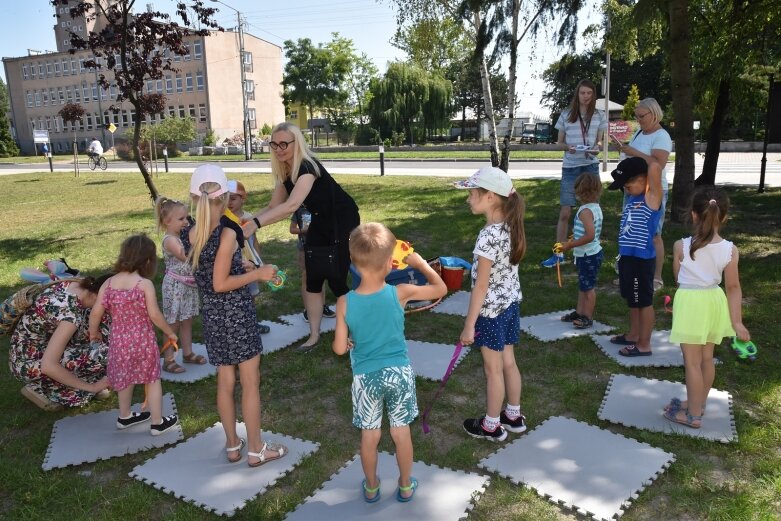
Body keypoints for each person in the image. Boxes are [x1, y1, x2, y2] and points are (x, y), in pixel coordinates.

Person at [333, 222, 447, 503]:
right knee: (400, 432)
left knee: (370, 437)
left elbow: (338, 349)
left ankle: (371, 486)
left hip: (366, 378)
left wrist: (347, 341)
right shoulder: (401, 292)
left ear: (354, 262)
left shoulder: (344, 302)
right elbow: (440, 288)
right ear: (390, 263)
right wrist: (420, 263)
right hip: (399, 374)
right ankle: (406, 485)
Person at [184, 164, 287, 466]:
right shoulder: (228, 231)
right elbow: (220, 283)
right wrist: (260, 275)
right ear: (225, 195)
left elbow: (210, 267)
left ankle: (232, 445)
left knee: (225, 380)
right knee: (250, 382)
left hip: (213, 318)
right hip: (236, 314)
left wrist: (238, 266)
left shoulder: (191, 231)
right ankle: (256, 449)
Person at [243, 122, 360, 352]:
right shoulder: (285, 171)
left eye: (284, 143)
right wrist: (246, 223)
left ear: (297, 143)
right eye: (274, 144)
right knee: (313, 276)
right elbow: (274, 206)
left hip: (341, 220)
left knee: (336, 278)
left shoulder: (308, 166)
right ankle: (314, 336)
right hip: (319, 221)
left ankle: (359, 328)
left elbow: (292, 205)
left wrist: (254, 224)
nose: (279, 148)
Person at [663, 187, 750, 429]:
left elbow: (680, 279)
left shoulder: (680, 246)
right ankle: (698, 403)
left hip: (691, 302)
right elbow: (733, 288)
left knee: (691, 362)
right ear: (723, 217)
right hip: (714, 302)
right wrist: (737, 322)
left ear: (693, 215)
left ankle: (692, 416)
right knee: (706, 358)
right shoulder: (731, 250)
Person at [454, 167, 528, 442]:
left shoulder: (487, 236)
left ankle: (491, 425)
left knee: (493, 369)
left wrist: (469, 325)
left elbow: (481, 287)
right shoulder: (511, 227)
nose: (468, 199)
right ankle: (513, 414)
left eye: (472, 194)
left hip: (490, 313)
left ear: (490, 197)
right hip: (510, 307)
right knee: (508, 362)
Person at [89, 235, 179, 435]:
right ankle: (157, 422)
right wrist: (170, 332)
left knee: (124, 378)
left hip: (119, 343)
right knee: (152, 379)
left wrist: (93, 333)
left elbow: (96, 312)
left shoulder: (109, 283)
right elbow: (155, 315)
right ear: (148, 261)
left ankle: (125, 416)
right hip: (143, 342)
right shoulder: (143, 284)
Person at [9, 275, 112, 410]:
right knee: (105, 355)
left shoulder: (78, 283)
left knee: (108, 336)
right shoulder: (70, 316)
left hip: (41, 343)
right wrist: (92, 387)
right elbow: (48, 366)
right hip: (27, 361)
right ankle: (39, 388)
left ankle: (77, 383)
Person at [542, 79, 608, 269]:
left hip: (590, 166)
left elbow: (600, 142)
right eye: (582, 93)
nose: (586, 97)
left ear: (593, 95)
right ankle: (558, 253)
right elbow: (559, 143)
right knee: (565, 211)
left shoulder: (599, 115)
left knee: (592, 211)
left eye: (589, 93)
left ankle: (592, 251)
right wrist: (568, 148)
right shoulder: (565, 114)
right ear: (577, 94)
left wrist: (596, 148)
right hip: (571, 166)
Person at [613, 98, 672, 291]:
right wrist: (625, 151)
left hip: (652, 191)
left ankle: (656, 277)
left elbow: (657, 164)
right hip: (633, 188)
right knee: (631, 232)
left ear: (654, 114)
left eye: (642, 116)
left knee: (653, 234)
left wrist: (633, 152)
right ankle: (631, 274)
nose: (638, 120)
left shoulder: (661, 136)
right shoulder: (640, 132)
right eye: (636, 116)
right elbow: (636, 159)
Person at [607, 156, 663, 356]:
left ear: (645, 180)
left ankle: (644, 344)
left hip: (641, 261)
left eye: (628, 185)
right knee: (632, 299)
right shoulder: (633, 198)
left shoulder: (652, 198)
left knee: (643, 302)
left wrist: (640, 161)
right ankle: (633, 334)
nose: (626, 190)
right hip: (628, 257)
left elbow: (655, 166)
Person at [155, 196, 203, 373]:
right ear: (167, 221)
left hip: (188, 286)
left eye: (187, 218)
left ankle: (188, 353)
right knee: (172, 323)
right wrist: (196, 236)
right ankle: (168, 359)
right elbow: (185, 256)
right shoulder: (170, 240)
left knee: (187, 320)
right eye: (181, 219)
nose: (185, 222)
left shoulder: (182, 236)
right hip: (174, 287)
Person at [556, 173, 604, 329]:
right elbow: (588, 233)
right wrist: (573, 239)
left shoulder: (584, 211)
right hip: (589, 253)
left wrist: (570, 245)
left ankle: (587, 317)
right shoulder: (595, 208)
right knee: (583, 285)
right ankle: (579, 312)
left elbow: (589, 235)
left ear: (580, 192)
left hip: (588, 254)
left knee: (588, 287)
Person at [290, 205, 336, 321]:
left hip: (321, 248)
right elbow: (292, 229)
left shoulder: (321, 207)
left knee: (321, 276)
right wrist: (305, 230)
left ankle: (322, 306)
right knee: (307, 277)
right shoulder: (299, 211)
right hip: (305, 249)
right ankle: (308, 309)